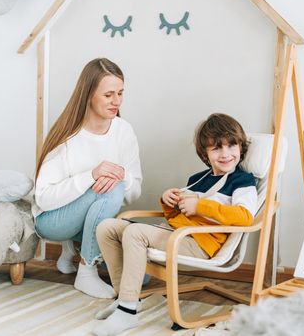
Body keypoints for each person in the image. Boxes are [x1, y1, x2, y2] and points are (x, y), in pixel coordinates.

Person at [93, 113, 258, 336]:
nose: (225, 154)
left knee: (134, 232)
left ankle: (127, 311)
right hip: (177, 234)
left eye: (231, 146)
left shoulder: (242, 181)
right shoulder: (197, 179)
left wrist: (201, 206)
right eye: (216, 148)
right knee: (107, 227)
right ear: (205, 153)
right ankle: (126, 297)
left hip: (200, 245)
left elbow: (244, 216)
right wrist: (169, 202)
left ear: (241, 147)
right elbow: (177, 218)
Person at [32, 58, 142, 299]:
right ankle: (86, 272)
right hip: (52, 220)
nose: (117, 101)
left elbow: (134, 192)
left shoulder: (124, 131)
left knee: (143, 275)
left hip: (93, 216)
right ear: (89, 94)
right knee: (111, 188)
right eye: (109, 94)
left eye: (121, 93)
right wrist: (91, 176)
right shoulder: (68, 135)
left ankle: (72, 249)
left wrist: (124, 176)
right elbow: (43, 199)